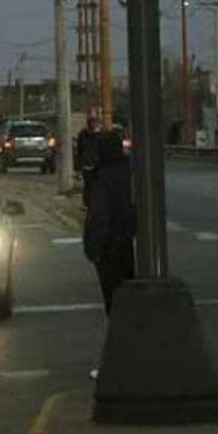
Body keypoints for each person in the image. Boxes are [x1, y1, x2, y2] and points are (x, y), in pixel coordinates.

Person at [82, 129, 136, 314]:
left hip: (109, 245)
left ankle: (121, 333)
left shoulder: (103, 177)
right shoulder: (128, 170)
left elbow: (99, 213)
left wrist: (94, 247)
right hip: (127, 240)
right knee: (127, 294)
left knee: (113, 297)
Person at [73, 108, 102, 205]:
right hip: (86, 165)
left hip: (97, 165)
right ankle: (88, 203)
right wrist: (78, 166)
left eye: (94, 121)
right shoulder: (83, 134)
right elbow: (79, 150)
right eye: (91, 121)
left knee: (96, 186)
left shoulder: (100, 135)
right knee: (88, 186)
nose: (93, 124)